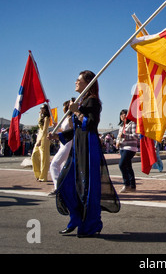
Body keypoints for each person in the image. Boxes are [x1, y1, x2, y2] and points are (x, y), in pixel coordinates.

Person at [48, 70, 120, 237]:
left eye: (78, 80)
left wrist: (77, 112)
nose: (75, 82)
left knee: (88, 187)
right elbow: (75, 131)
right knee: (65, 182)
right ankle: (75, 218)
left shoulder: (93, 102)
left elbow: (90, 124)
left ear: (87, 82)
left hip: (89, 148)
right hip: (77, 148)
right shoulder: (80, 102)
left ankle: (91, 224)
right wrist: (56, 136)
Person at [48, 100, 74, 194]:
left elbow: (71, 131)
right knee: (64, 166)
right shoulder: (66, 118)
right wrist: (57, 127)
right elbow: (63, 131)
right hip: (63, 144)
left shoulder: (71, 118)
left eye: (64, 106)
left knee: (54, 164)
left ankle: (58, 187)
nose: (62, 108)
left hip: (68, 144)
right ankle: (64, 187)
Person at [116, 109, 139, 193]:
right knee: (128, 167)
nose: (123, 116)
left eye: (124, 114)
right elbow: (119, 137)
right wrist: (117, 142)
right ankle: (132, 185)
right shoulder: (121, 126)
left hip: (130, 148)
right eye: (121, 114)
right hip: (122, 148)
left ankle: (126, 184)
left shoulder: (132, 123)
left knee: (121, 165)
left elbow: (135, 136)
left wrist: (124, 136)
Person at [31, 104, 51, 182]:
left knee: (44, 158)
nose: (41, 109)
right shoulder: (41, 118)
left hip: (44, 138)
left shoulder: (46, 118)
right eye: (41, 108)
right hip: (38, 137)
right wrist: (40, 114)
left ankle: (43, 176)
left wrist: (40, 140)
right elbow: (39, 124)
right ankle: (38, 174)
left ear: (46, 109)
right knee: (34, 156)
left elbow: (45, 130)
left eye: (42, 108)